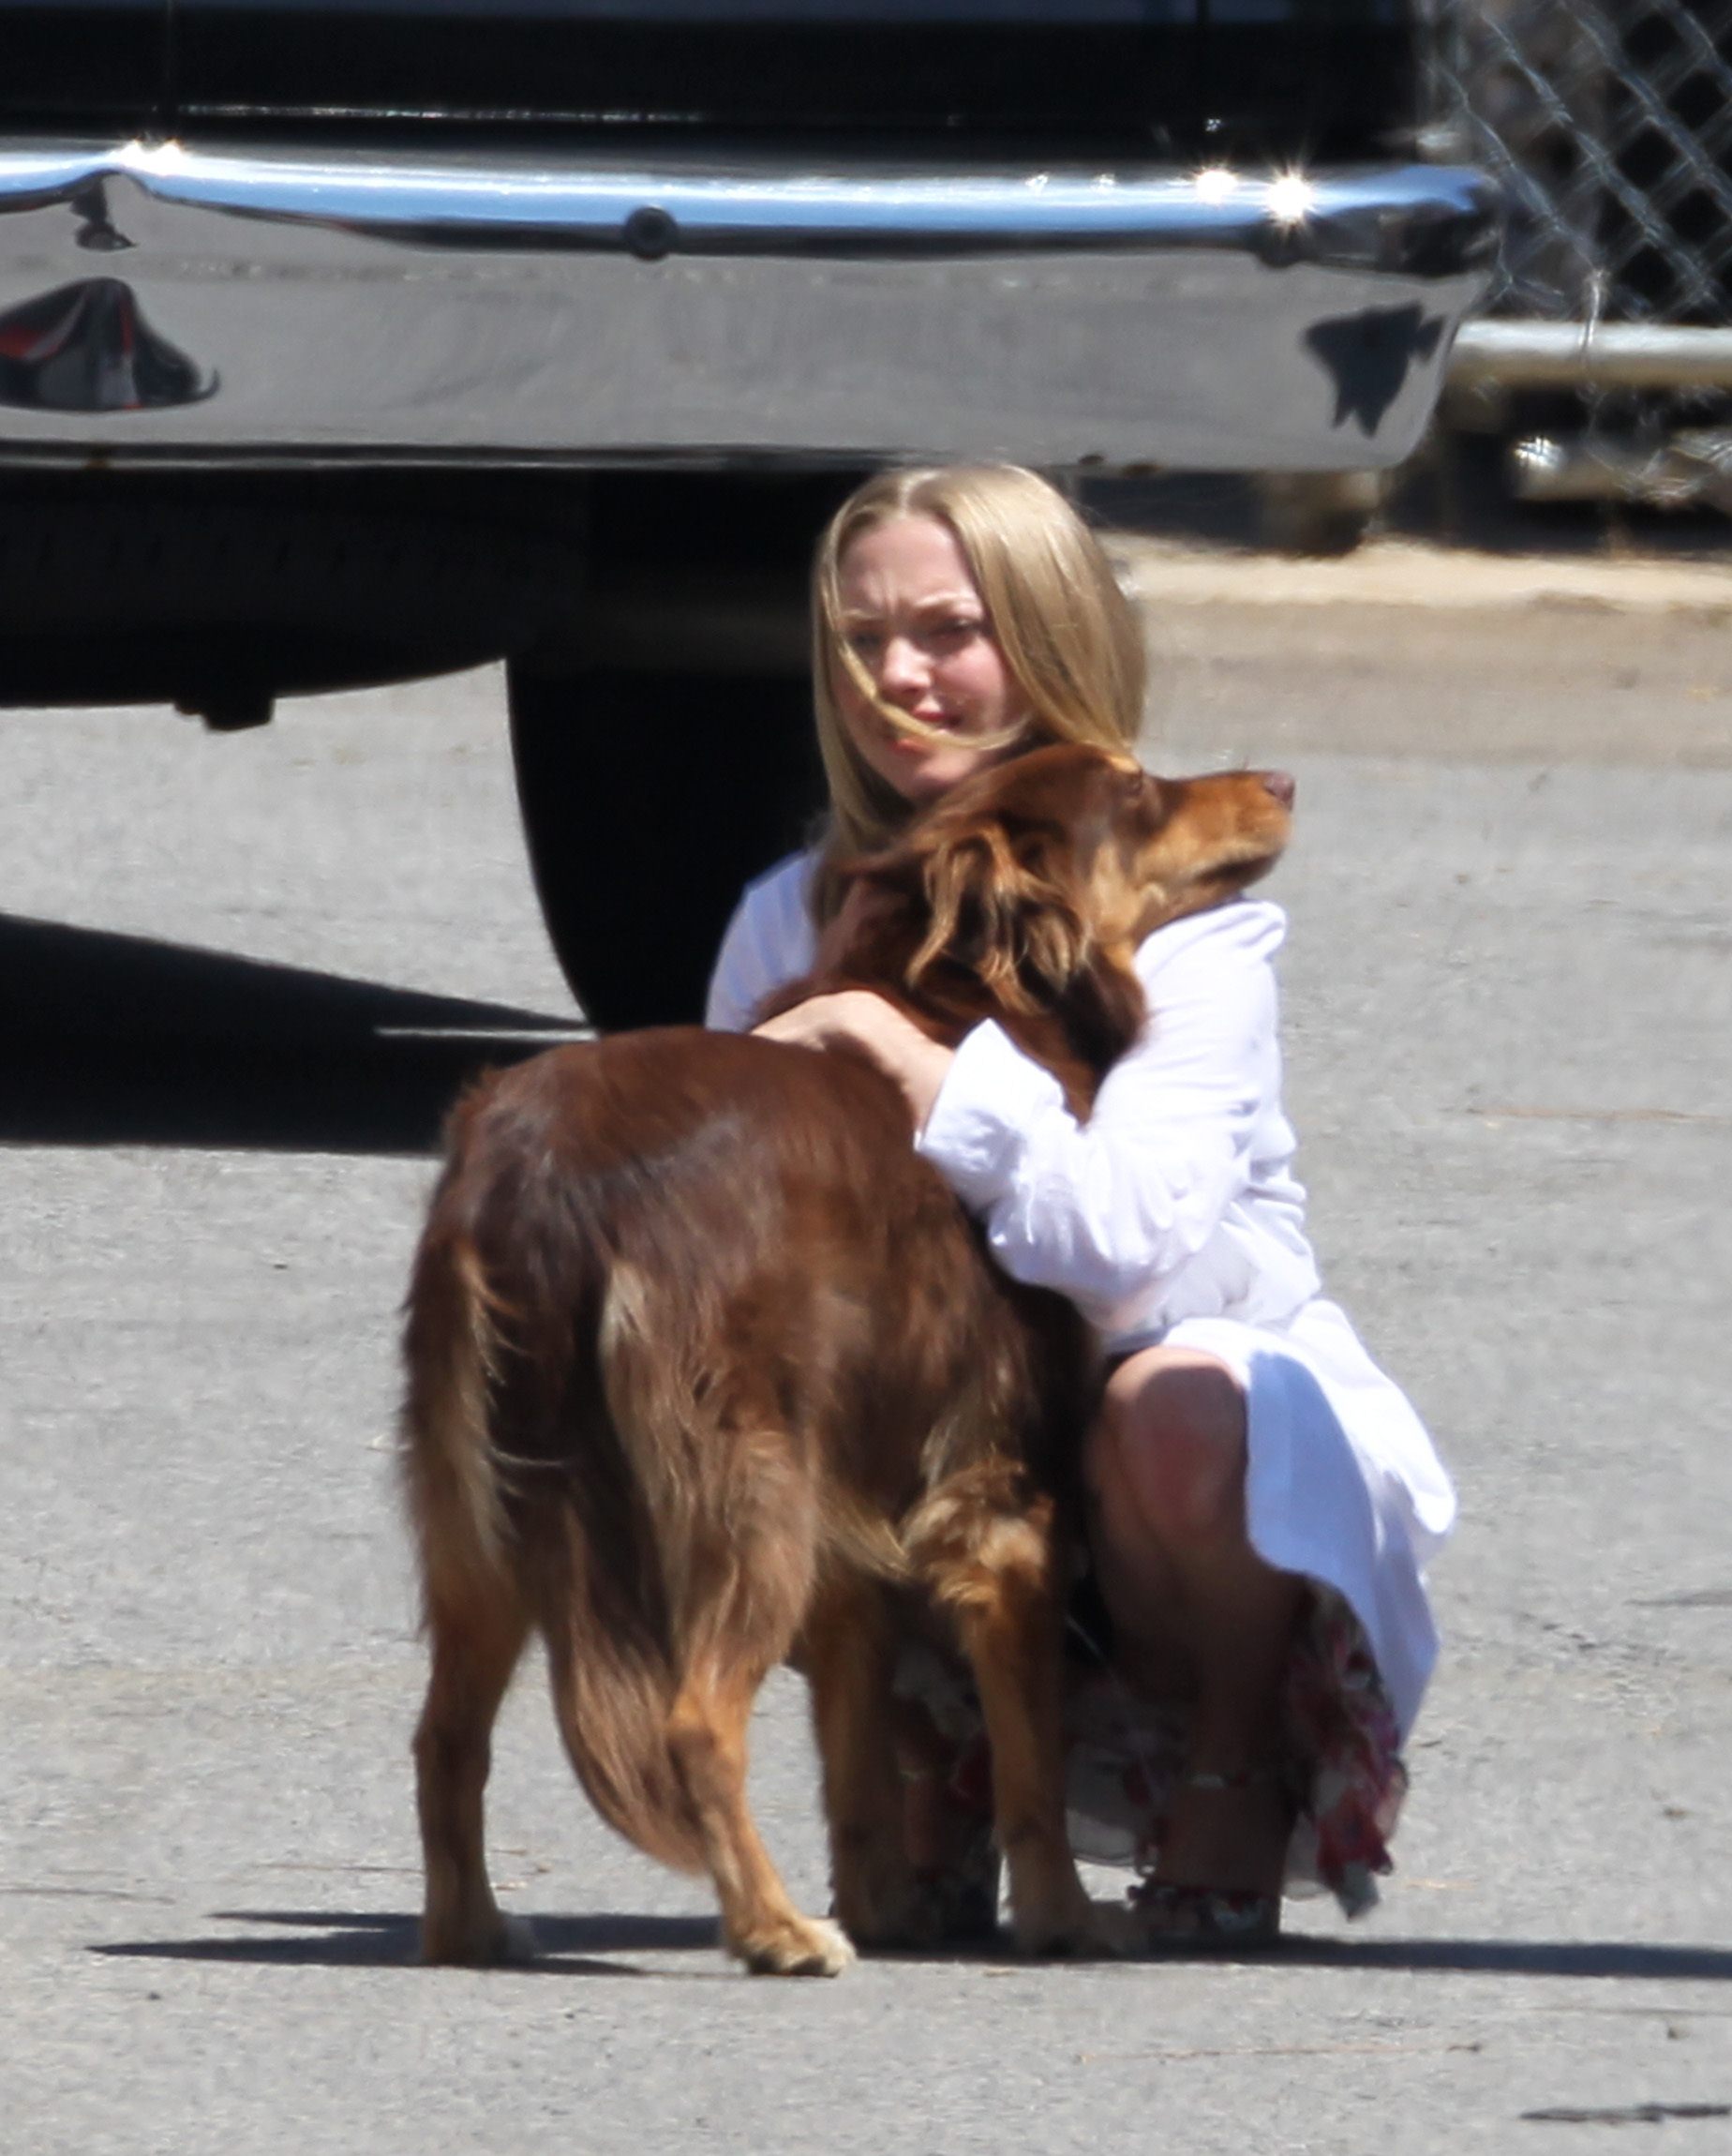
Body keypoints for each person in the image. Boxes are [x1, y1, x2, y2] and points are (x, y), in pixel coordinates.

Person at [705, 464, 1456, 1948]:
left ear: (1049, 642)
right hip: (940, 1416)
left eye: (948, 629)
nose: (899, 676)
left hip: (1158, 1429)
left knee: (1173, 1407)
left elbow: (1123, 1261)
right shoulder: (785, 917)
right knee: (751, 1408)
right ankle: (936, 1757)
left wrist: (909, 1055)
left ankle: (1232, 1767)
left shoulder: (1198, 931)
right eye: (861, 639)